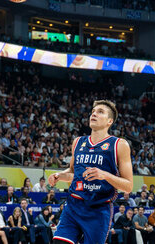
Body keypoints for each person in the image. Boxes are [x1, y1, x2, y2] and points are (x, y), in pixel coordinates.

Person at [49, 100, 133, 244]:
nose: (94, 114)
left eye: (100, 112)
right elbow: (73, 172)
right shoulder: (78, 142)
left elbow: (128, 186)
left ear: (109, 121)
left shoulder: (119, 145)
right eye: (93, 111)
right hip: (74, 207)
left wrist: (105, 175)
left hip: (99, 210)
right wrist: (59, 175)